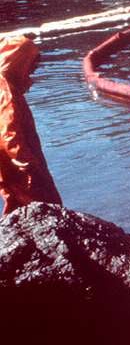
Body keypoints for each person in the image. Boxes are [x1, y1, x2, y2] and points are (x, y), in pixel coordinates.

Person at [0, 35, 61, 214]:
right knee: (47, 206)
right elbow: (9, 132)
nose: (30, 72)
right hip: (19, 166)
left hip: (7, 164)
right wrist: (29, 165)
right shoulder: (6, 90)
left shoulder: (5, 85)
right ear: (19, 62)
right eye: (29, 66)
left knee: (16, 206)